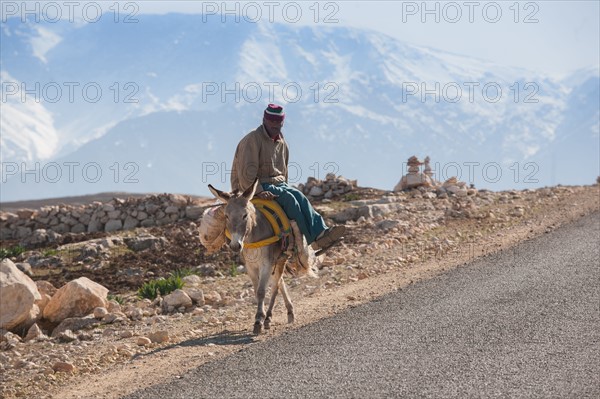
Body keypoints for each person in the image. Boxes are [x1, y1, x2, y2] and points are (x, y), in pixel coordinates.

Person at [230, 103, 345, 254]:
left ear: (283, 122)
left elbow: (283, 172)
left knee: (299, 196)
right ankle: (313, 241)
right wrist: (258, 192)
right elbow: (246, 173)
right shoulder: (252, 139)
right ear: (265, 120)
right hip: (254, 185)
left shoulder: (282, 142)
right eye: (272, 122)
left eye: (279, 123)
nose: (276, 125)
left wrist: (285, 186)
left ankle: (322, 233)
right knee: (289, 200)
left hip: (277, 183)